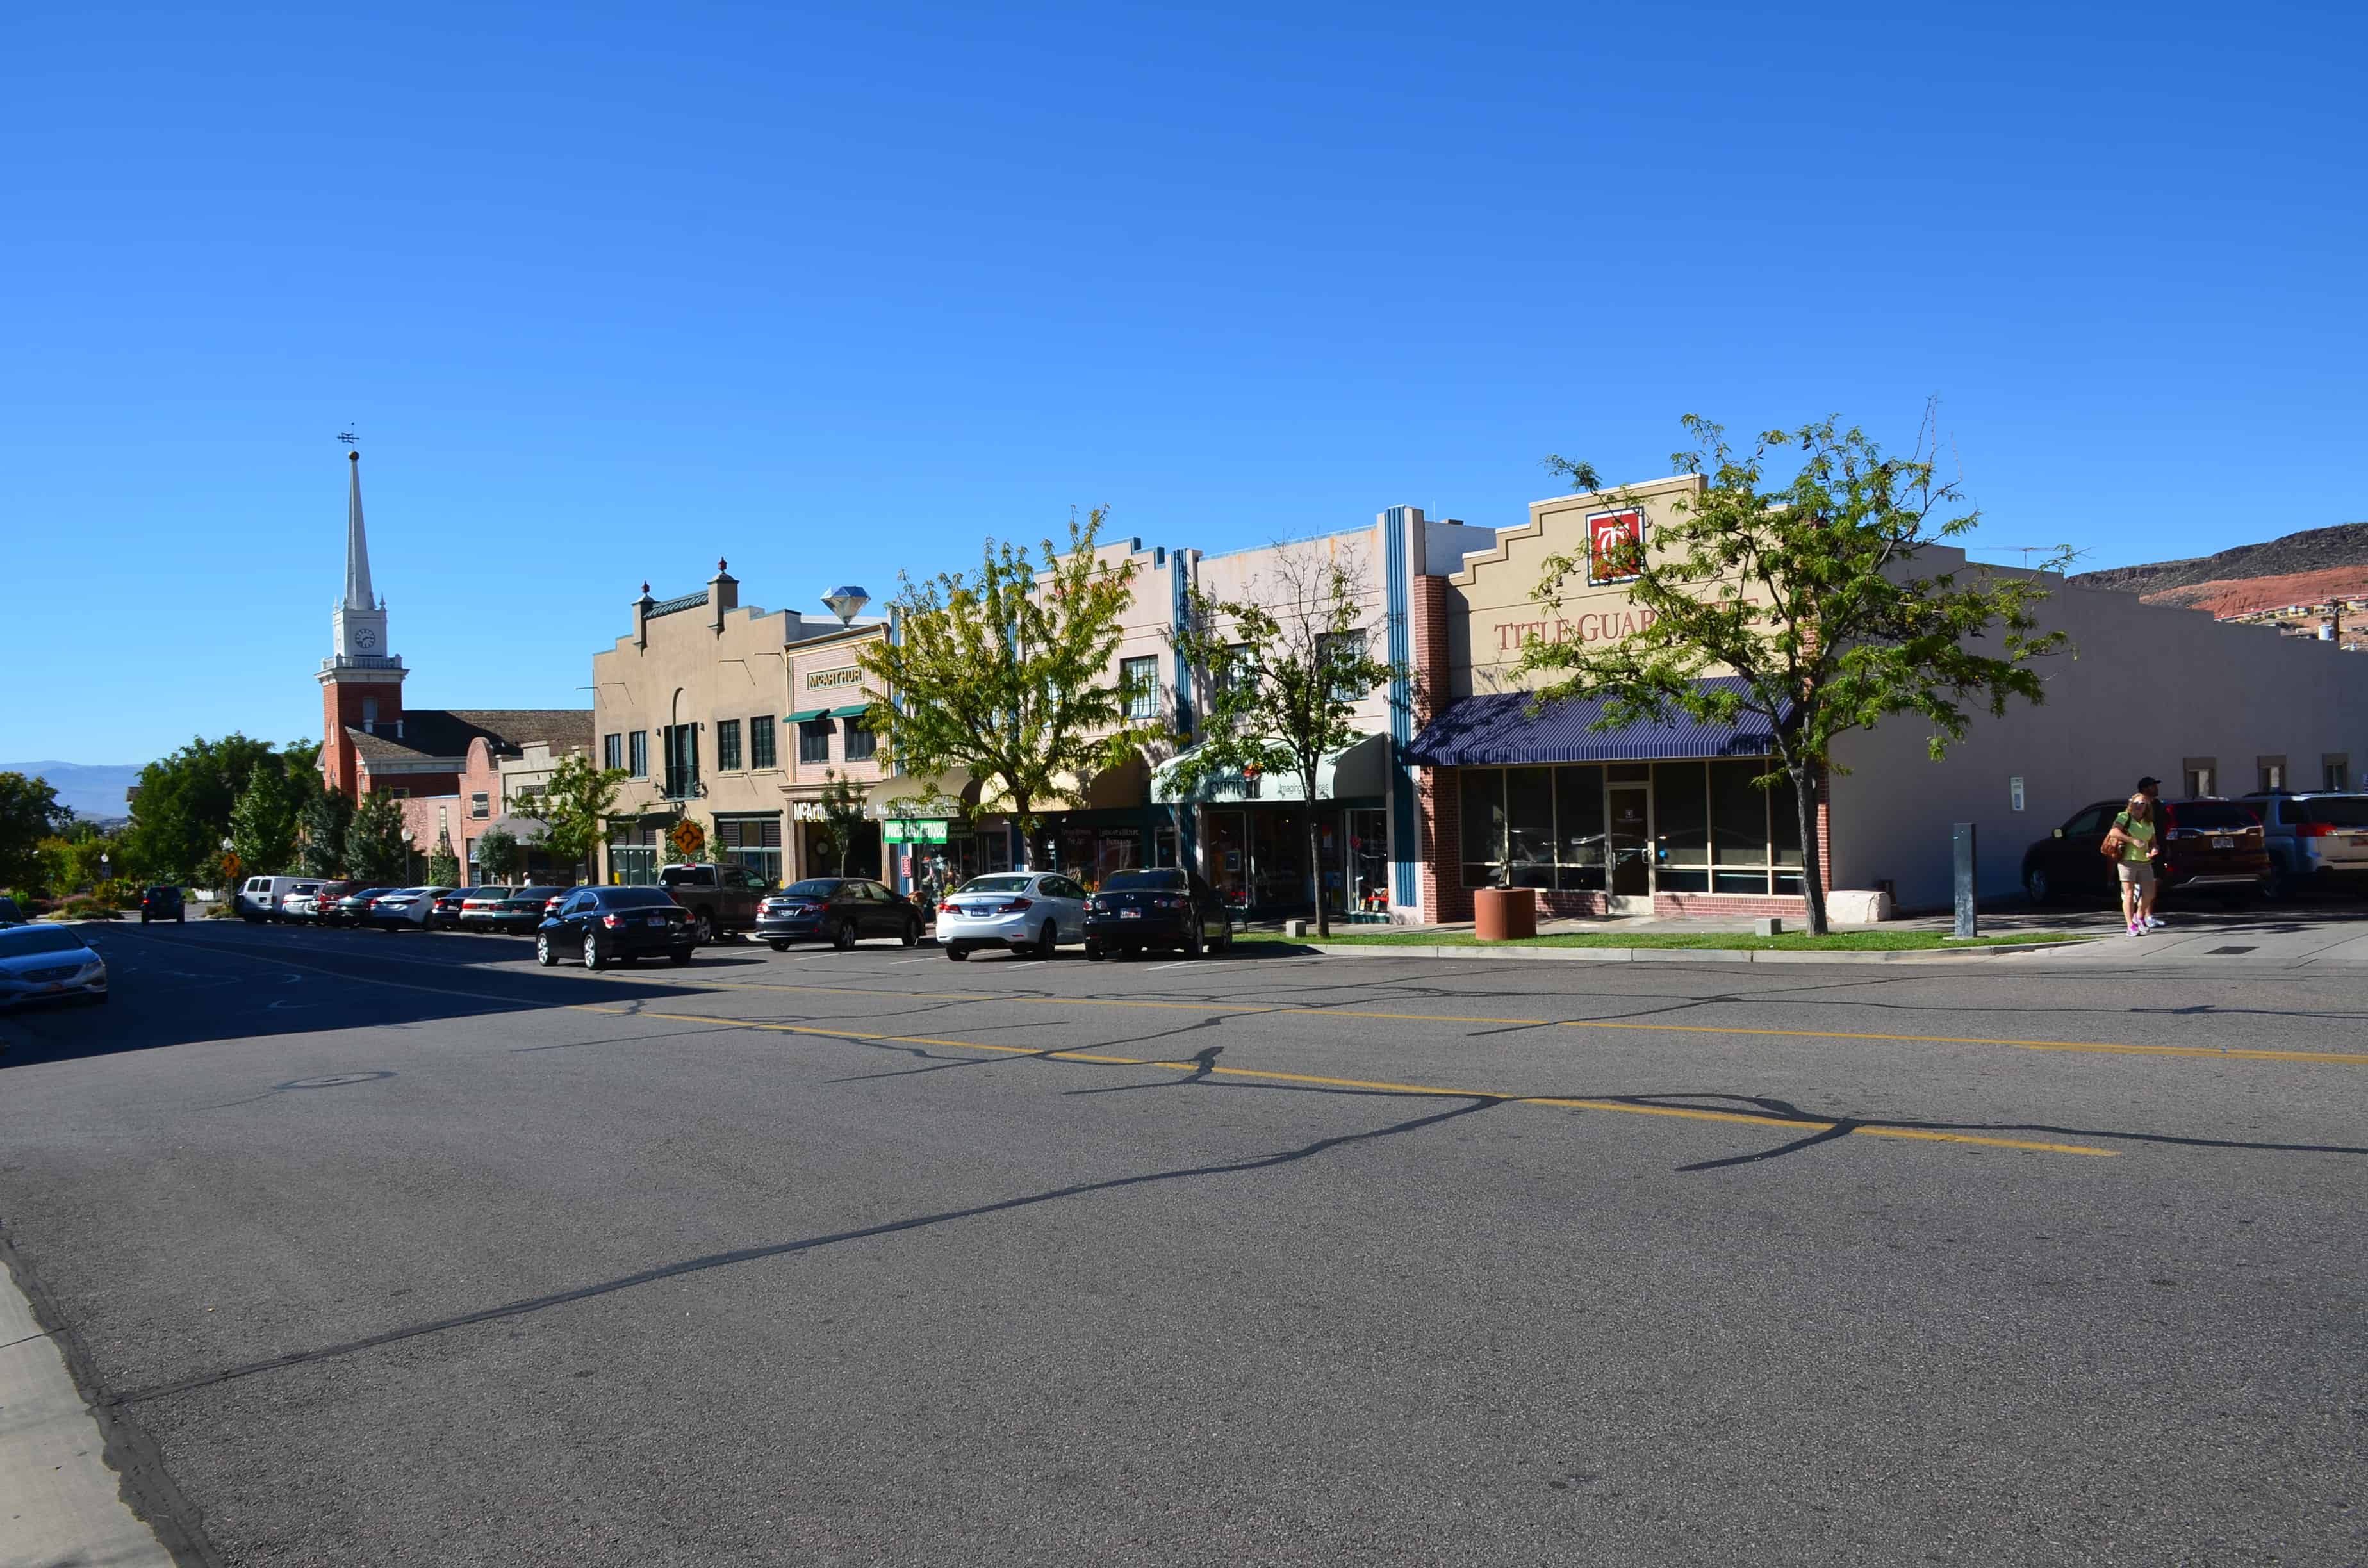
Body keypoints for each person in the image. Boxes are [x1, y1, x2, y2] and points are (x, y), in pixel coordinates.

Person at [2111, 792, 2160, 936]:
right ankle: (2130, 926)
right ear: (2131, 804)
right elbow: (2114, 832)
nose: (2138, 806)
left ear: (2147, 807)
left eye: (2142, 804)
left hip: (2145, 862)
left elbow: (2154, 843)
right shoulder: (2124, 817)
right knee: (2129, 894)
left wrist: (2154, 849)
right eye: (2136, 803)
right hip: (2127, 861)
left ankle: (2139, 916)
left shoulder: (2149, 823)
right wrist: (2133, 840)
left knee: (2150, 893)